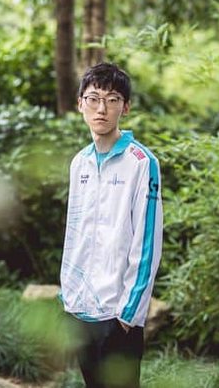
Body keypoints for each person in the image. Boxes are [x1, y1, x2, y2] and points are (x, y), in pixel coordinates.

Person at [59, 63, 163, 388]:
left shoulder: (141, 162)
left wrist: (128, 315)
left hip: (118, 314)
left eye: (112, 99)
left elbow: (148, 242)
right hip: (80, 309)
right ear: (80, 104)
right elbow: (74, 234)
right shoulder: (80, 162)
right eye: (93, 99)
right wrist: (68, 295)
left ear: (125, 107)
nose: (101, 109)